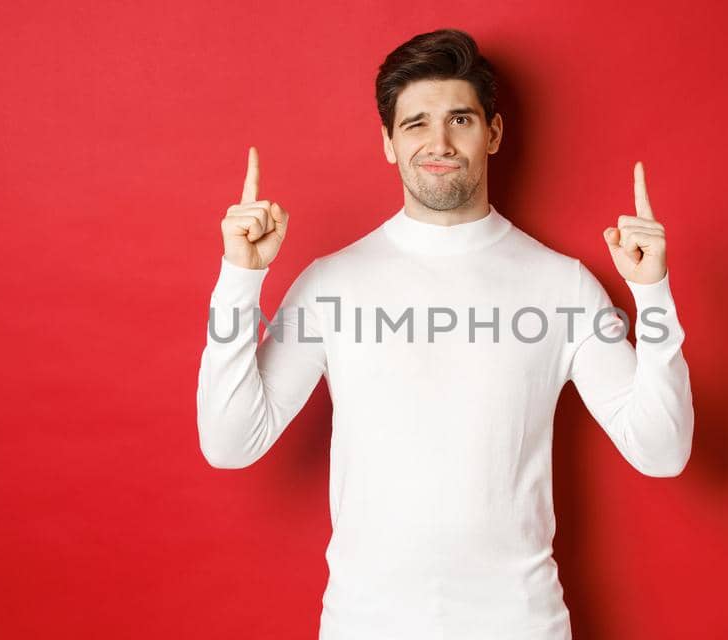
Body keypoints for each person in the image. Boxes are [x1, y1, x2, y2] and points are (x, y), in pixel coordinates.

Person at [196, 27, 694, 640]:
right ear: (387, 142)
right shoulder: (332, 284)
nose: (439, 142)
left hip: (522, 626)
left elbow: (664, 451)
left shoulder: (560, 285)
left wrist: (654, 297)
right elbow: (229, 442)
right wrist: (238, 280)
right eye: (416, 124)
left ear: (494, 132)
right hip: (364, 626)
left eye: (460, 119)